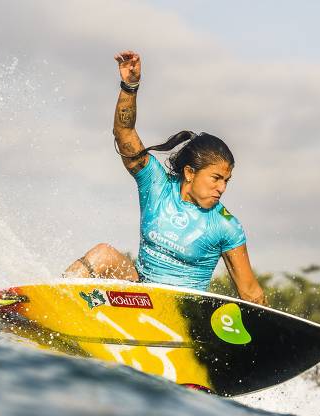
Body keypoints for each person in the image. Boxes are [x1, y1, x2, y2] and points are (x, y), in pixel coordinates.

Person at [64, 50, 266, 306]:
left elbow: (250, 293)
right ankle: (55, 304)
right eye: (216, 178)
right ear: (190, 172)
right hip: (140, 298)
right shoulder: (157, 185)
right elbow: (124, 133)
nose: (222, 188)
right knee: (102, 254)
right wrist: (130, 86)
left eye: (226, 181)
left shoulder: (226, 225)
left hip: (185, 309)